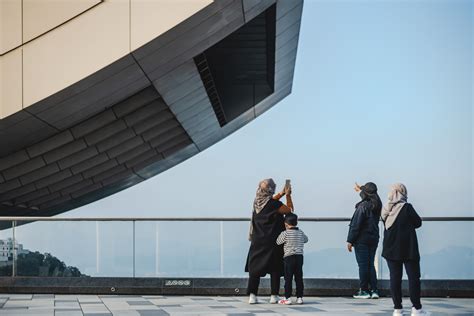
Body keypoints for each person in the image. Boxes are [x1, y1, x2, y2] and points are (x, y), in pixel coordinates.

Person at [382, 183, 430, 316]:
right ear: (403, 193)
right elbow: (418, 223)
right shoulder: (407, 208)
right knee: (414, 278)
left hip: (390, 249)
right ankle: (416, 309)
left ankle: (397, 309)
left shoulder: (386, 209)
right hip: (409, 249)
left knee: (394, 279)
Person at [245, 178, 294, 304]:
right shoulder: (275, 205)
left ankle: (252, 296)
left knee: (254, 268)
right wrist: (288, 196)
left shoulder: (257, 202)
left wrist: (281, 193)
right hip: (273, 241)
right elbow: (289, 210)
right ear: (271, 190)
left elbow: (269, 202)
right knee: (275, 267)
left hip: (257, 240)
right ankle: (274, 296)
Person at [346, 182, 382, 299]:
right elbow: (368, 194)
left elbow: (356, 225)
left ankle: (364, 291)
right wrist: (361, 189)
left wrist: (350, 240)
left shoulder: (362, 206)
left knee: (363, 265)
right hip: (374, 238)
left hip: (362, 239)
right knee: (370, 264)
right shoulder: (377, 204)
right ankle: (374, 290)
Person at [276, 213, 308, 305]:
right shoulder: (300, 232)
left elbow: (278, 242)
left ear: (285, 223)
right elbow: (306, 240)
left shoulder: (285, 233)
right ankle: (299, 297)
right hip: (299, 257)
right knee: (299, 277)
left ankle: (288, 298)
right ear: (296, 222)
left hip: (288, 257)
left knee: (288, 278)